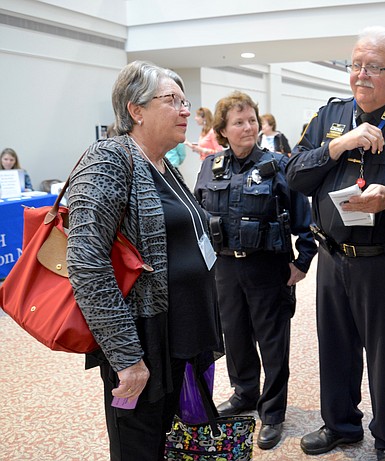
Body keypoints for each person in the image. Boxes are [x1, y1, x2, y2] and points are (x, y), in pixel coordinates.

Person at [286, 26, 385, 461]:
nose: (361, 75)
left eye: (373, 67)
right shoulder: (330, 117)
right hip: (333, 257)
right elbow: (295, 175)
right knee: (335, 349)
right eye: (356, 65)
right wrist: (336, 147)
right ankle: (340, 426)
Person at [66, 61, 223, 461]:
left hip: (180, 335)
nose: (186, 110)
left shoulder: (165, 164)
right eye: (172, 100)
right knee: (138, 447)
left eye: (186, 101)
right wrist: (126, 359)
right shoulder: (108, 159)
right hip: (142, 341)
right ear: (135, 110)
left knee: (166, 444)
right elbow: (86, 263)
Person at [194, 91, 317, 451]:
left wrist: (302, 262)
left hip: (268, 267)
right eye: (238, 122)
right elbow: (198, 218)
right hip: (225, 268)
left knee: (273, 341)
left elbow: (305, 221)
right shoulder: (209, 167)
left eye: (251, 120)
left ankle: (273, 411)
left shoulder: (279, 165)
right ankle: (244, 393)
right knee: (235, 336)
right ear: (223, 130)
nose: (248, 127)